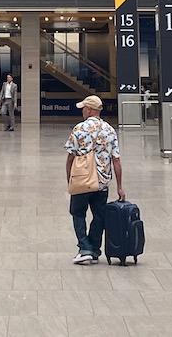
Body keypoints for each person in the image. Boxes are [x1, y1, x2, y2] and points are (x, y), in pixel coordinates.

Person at [64, 94, 123, 265]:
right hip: (102, 182)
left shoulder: (79, 129)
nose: (82, 111)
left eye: (84, 108)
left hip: (82, 180)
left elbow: (70, 157)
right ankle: (94, 249)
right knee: (100, 215)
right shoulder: (110, 130)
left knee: (78, 213)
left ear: (89, 110)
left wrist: (70, 179)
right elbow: (116, 160)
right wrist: (119, 186)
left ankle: (84, 248)